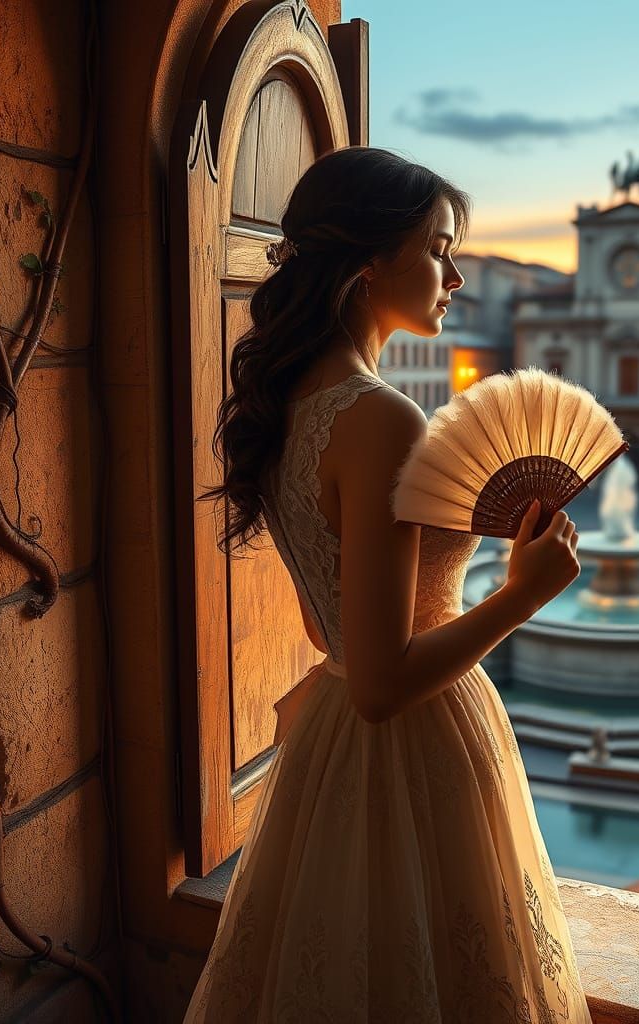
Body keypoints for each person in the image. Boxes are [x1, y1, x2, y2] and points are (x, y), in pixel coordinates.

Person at [184, 146, 594, 1023]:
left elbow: (328, 621)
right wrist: (523, 592)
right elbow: (379, 688)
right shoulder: (381, 417)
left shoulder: (297, 398)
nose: (456, 275)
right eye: (439, 248)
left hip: (335, 749)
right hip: (413, 743)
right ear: (371, 267)